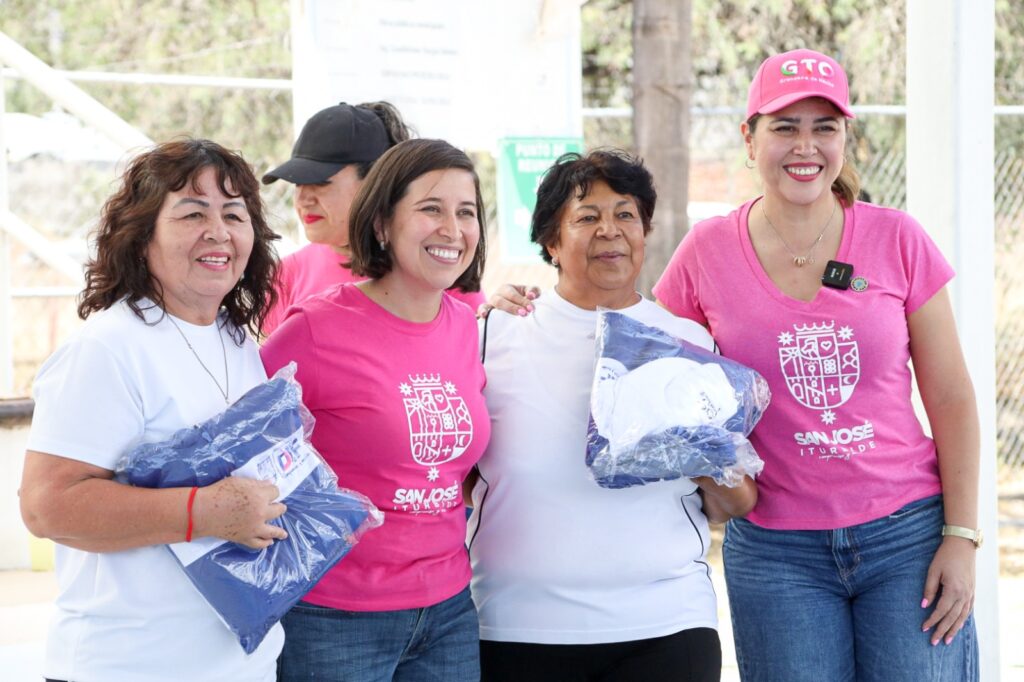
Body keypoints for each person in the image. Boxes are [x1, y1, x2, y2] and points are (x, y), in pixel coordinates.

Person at [651, 49, 981, 681]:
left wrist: (961, 538)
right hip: (777, 552)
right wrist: (518, 304)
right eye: (784, 126)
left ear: (845, 139)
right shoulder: (706, 251)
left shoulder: (897, 239)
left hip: (906, 539)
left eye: (823, 126)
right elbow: (656, 372)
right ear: (749, 139)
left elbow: (952, 398)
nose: (806, 145)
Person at [468, 150, 758, 682]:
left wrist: (693, 456)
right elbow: (459, 477)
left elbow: (733, 503)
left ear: (646, 232)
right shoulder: (493, 337)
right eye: (586, 217)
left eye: (626, 214)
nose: (610, 231)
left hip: (667, 625)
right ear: (551, 243)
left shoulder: (690, 346)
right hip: (521, 627)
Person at [19, 139, 288, 682]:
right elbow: (46, 507)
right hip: (131, 665)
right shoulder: (107, 348)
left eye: (234, 214)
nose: (219, 231)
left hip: (243, 662)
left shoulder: (234, 339)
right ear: (142, 236)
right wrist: (203, 513)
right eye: (192, 213)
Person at [261, 138, 490, 681]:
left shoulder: (469, 327)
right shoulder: (314, 330)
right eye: (431, 209)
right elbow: (242, 450)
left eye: (466, 212)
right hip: (334, 617)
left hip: (450, 609)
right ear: (383, 224)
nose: (452, 230)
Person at [261, 101, 485, 335]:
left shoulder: (436, 267)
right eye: (298, 183)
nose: (303, 198)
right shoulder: (284, 275)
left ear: (376, 182)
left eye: (320, 182)